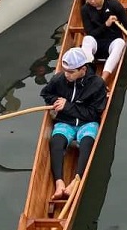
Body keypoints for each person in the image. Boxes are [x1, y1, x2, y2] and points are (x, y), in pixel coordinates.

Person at [41, 47, 107, 199]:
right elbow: (46, 93)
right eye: (65, 70)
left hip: (88, 123)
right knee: (56, 142)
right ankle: (59, 183)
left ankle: (76, 180)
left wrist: (68, 106)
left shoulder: (97, 84)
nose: (67, 75)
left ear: (83, 69)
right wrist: (55, 102)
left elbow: (93, 113)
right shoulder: (59, 79)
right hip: (65, 122)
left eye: (71, 72)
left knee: (87, 144)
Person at [81, 0, 127, 84]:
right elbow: (90, 33)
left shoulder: (114, 4)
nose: (92, 1)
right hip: (96, 42)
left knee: (121, 42)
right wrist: (106, 24)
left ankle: (102, 80)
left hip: (112, 42)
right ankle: (89, 74)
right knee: (86, 39)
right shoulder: (85, 9)